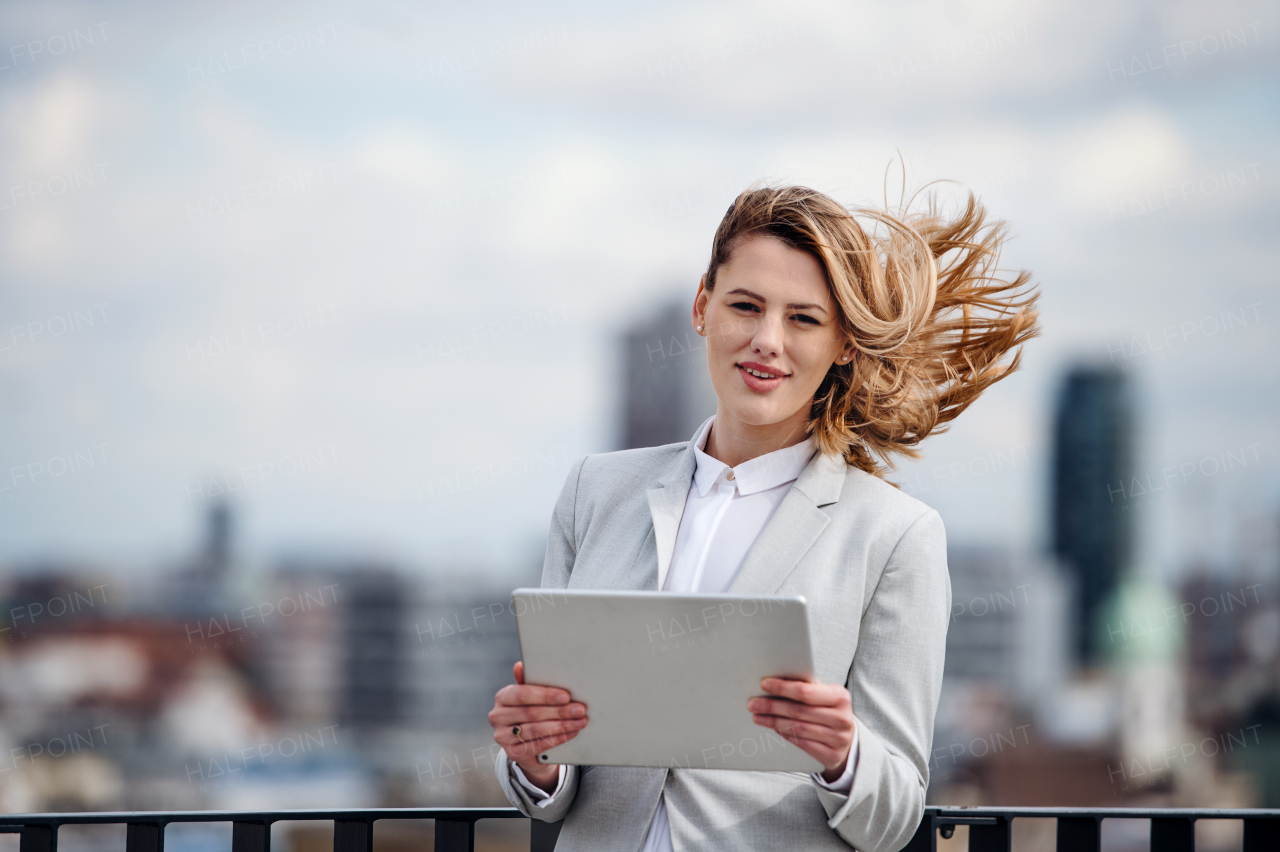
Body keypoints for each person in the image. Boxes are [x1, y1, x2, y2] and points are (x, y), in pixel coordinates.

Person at [487, 183, 1039, 852]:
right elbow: (549, 791)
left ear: (842, 344)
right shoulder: (595, 491)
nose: (767, 340)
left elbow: (895, 816)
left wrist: (844, 756)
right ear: (702, 307)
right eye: (745, 306)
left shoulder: (895, 537)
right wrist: (535, 757)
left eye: (803, 318)